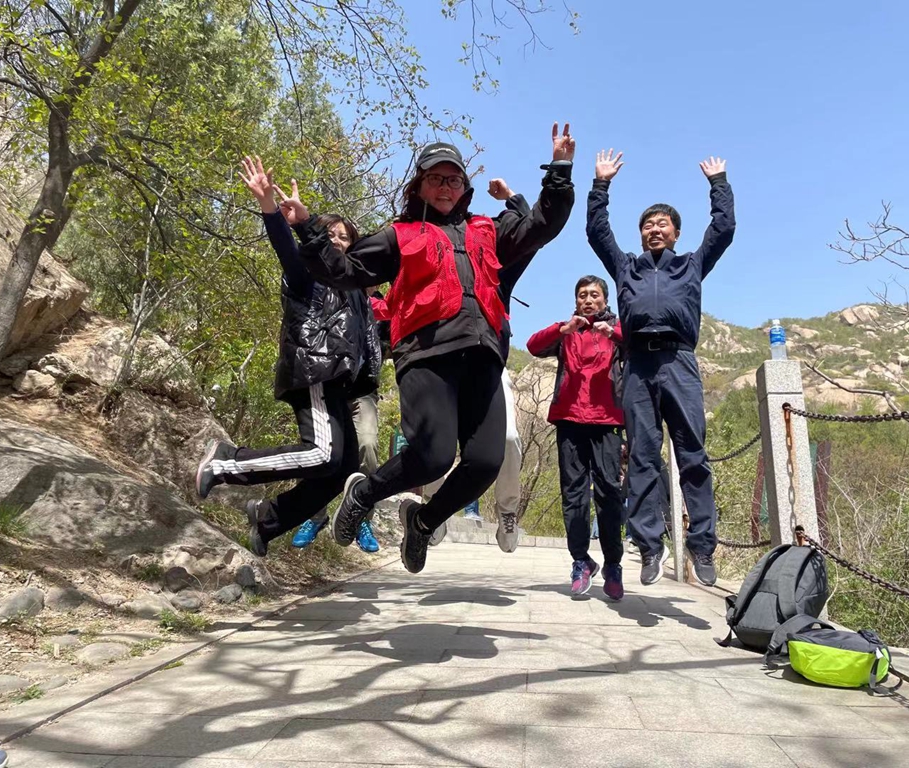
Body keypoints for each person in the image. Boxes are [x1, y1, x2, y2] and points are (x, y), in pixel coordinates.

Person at [292, 123, 576, 574]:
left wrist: (559, 169)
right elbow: (344, 270)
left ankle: (423, 522)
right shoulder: (398, 235)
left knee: (486, 461)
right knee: (433, 456)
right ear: (420, 185)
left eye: (454, 179)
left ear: (464, 187)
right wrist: (308, 229)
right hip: (426, 354)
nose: (445, 187)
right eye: (436, 178)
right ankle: (365, 492)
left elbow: (543, 224)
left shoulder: (489, 229)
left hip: (482, 355)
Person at [194, 158, 381, 557]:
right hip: (315, 368)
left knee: (338, 472)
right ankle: (226, 462)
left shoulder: (357, 293)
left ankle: (267, 519)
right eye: (330, 233)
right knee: (320, 453)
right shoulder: (306, 275)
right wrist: (272, 209)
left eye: (345, 237)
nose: (337, 240)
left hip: (340, 384)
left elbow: (372, 341)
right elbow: (287, 249)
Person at [586, 149, 735, 587]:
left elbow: (723, 229)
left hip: (679, 361)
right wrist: (601, 185)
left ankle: (703, 545)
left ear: (675, 233)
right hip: (637, 365)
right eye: (648, 224)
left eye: (662, 224)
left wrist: (719, 184)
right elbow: (597, 232)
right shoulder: (626, 267)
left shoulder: (691, 264)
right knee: (644, 458)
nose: (654, 229)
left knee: (692, 454)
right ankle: (650, 547)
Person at [423, 177, 531, 553]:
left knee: (509, 440)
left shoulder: (500, 271)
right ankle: (433, 512)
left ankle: (507, 512)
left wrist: (512, 197)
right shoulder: (435, 257)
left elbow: (531, 227)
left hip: (488, 364)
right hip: (441, 363)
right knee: (436, 442)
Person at [526, 276, 626, 599]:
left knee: (610, 492)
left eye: (594, 295)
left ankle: (613, 563)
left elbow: (637, 344)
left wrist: (614, 333)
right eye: (582, 295)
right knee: (573, 494)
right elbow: (532, 345)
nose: (587, 300)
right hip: (569, 419)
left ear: (604, 300)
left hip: (607, 419)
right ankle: (581, 560)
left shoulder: (615, 329)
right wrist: (561, 329)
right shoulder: (567, 331)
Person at [292, 286, 384, 554]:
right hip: (329, 385)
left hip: (363, 392)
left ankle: (362, 518)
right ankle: (315, 515)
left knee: (368, 447)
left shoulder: (381, 308)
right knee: (317, 451)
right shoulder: (329, 292)